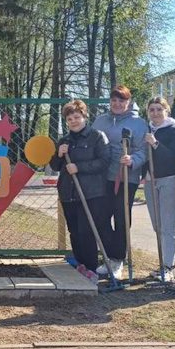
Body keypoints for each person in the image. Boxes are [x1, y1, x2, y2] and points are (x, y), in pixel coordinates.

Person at [49, 100, 110, 281]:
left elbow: (104, 161)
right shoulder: (64, 140)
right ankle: (80, 265)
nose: (74, 121)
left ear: (84, 116)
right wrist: (58, 154)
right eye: (69, 118)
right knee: (74, 231)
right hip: (69, 193)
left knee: (87, 231)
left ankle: (91, 267)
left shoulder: (97, 136)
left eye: (77, 117)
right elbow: (55, 166)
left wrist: (80, 167)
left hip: (91, 193)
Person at [91, 85, 148, 278]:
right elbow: (92, 144)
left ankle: (118, 260)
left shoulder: (138, 123)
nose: (117, 104)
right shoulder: (100, 121)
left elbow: (143, 150)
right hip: (102, 177)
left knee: (121, 217)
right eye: (114, 100)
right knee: (101, 216)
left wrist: (133, 160)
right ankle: (108, 256)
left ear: (128, 102)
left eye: (121, 101)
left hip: (126, 177)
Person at [143, 96, 175, 282]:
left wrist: (155, 144)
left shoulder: (173, 130)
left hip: (169, 180)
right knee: (157, 225)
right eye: (152, 110)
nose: (155, 113)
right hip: (151, 181)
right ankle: (165, 263)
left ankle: (169, 266)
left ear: (166, 111)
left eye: (159, 109)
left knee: (168, 225)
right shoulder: (147, 130)